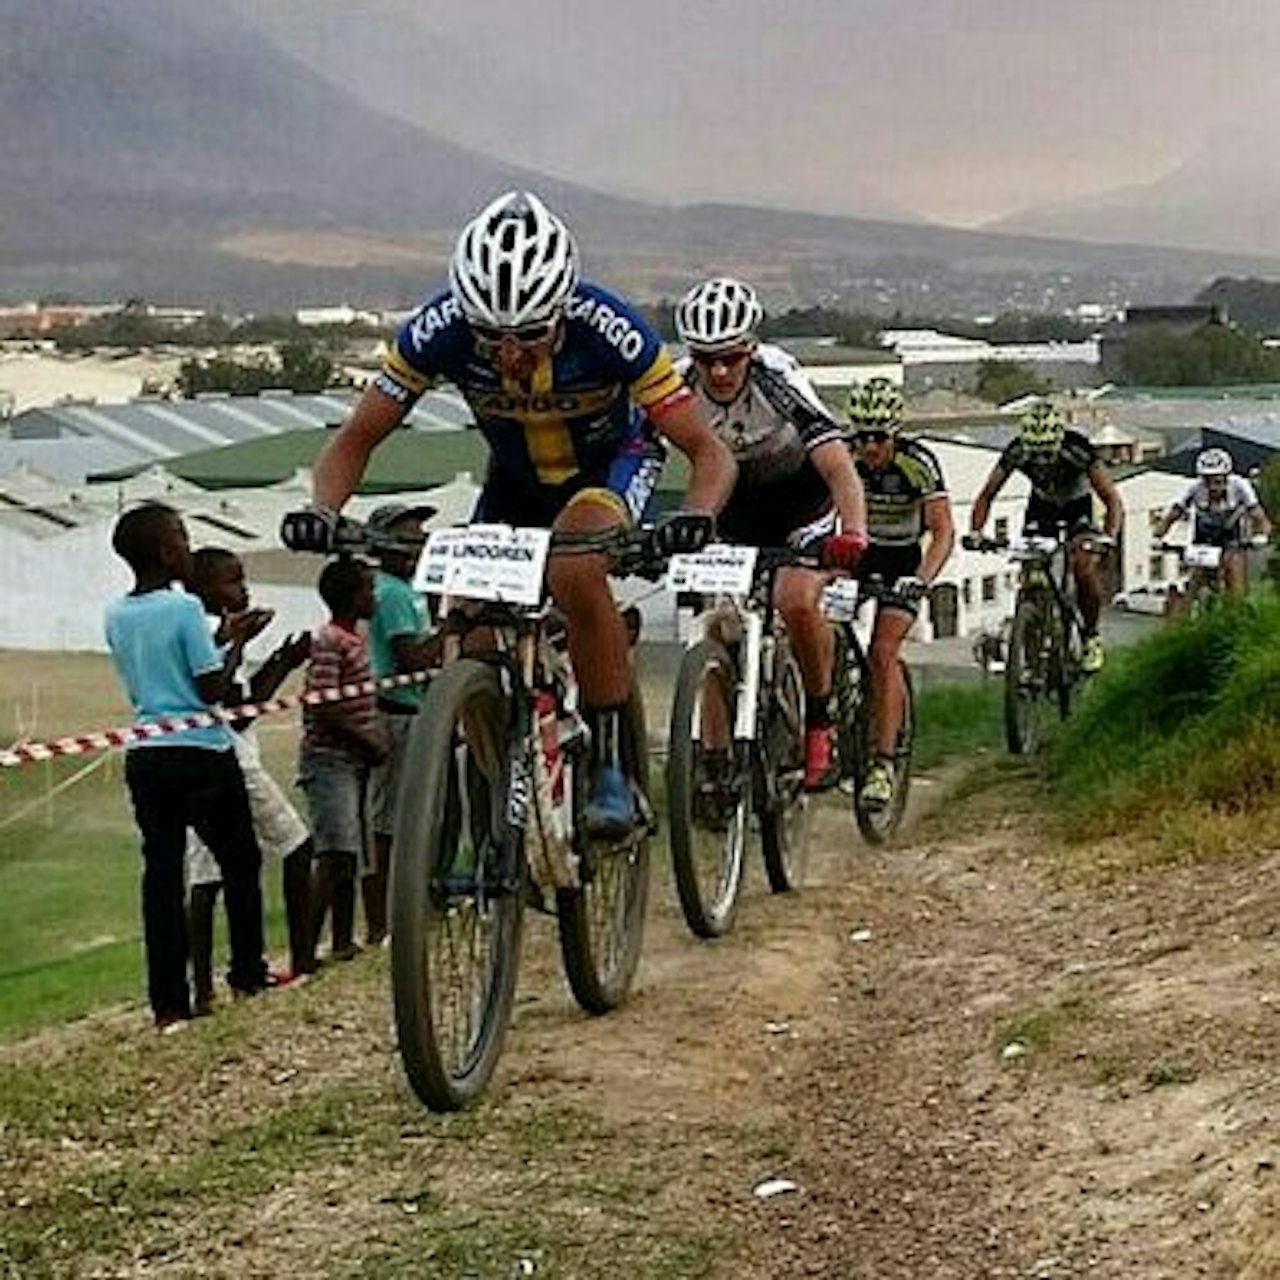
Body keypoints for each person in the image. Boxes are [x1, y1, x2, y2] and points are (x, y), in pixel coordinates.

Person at [281, 190, 736, 840]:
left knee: (575, 574)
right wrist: (321, 509)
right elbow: (356, 438)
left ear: (562, 309)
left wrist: (696, 516)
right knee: (463, 615)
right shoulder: (436, 331)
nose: (509, 352)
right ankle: (508, 786)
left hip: (609, 469)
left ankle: (611, 770)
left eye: (529, 334)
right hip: (516, 481)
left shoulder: (613, 328)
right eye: (490, 336)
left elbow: (709, 451)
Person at [674, 276, 868, 790]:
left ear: (751, 350)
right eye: (704, 357)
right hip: (733, 508)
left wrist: (854, 533)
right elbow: (642, 453)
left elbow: (838, 466)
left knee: (796, 598)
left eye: (730, 358)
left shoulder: (778, 379)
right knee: (716, 622)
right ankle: (714, 763)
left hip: (802, 503)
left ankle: (820, 720)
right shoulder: (679, 387)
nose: (717, 370)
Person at [104, 503, 271, 1031]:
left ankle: (169, 1004)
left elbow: (157, 677)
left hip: (148, 752)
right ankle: (247, 974)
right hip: (201, 751)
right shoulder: (181, 610)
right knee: (241, 863)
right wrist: (237, 641)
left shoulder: (116, 613)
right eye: (181, 537)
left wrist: (219, 641)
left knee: (162, 877)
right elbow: (210, 690)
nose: (189, 547)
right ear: (163, 551)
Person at [183, 548, 315, 1015]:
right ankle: (300, 960)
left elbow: (246, 699)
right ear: (201, 587)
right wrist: (236, 641)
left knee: (207, 871)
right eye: (231, 582)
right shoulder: (204, 630)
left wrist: (282, 659)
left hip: (217, 757)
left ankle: (205, 989)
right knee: (296, 844)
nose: (243, 590)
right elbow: (224, 704)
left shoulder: (214, 629)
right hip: (231, 762)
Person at [847, 378, 955, 811]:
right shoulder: (846, 457)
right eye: (862, 436)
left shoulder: (917, 463)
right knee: (822, 625)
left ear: (895, 433)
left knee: (883, 652)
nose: (869, 447)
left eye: (879, 437)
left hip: (902, 565)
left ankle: (883, 764)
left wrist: (924, 578)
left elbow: (944, 531)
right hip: (856, 556)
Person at [969, 400, 1123, 673]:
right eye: (1035, 454)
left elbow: (1111, 499)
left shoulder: (1078, 448)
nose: (1041, 462)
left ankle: (1091, 636)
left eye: (1047, 454)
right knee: (1031, 570)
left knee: (1083, 566)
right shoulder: (1017, 451)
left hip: (1078, 508)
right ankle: (1029, 647)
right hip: (1042, 509)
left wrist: (1108, 537)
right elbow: (987, 495)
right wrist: (977, 532)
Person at [299, 557, 387, 964]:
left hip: (354, 762)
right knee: (334, 851)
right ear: (353, 598)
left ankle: (341, 941)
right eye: (369, 589)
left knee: (350, 853)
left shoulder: (356, 639)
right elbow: (323, 705)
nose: (375, 596)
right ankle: (305, 949)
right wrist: (367, 740)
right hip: (330, 759)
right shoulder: (329, 641)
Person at [363, 502, 437, 945]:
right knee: (388, 822)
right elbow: (410, 656)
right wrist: (452, 630)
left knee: (410, 818)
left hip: (415, 710)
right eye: (408, 537)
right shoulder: (389, 593)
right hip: (396, 713)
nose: (418, 544)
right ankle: (380, 923)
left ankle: (408, 907)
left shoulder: (408, 591)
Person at [1152, 447, 1271, 598]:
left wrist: (1262, 535)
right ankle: (1190, 613)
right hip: (1203, 537)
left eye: (1218, 480)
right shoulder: (1194, 489)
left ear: (1227, 477)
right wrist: (1158, 536)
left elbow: (1259, 517)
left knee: (1235, 577)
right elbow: (1172, 515)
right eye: (1208, 481)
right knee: (1194, 581)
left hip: (1231, 537)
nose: (1214, 486)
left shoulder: (1240, 486)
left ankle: (1236, 612)